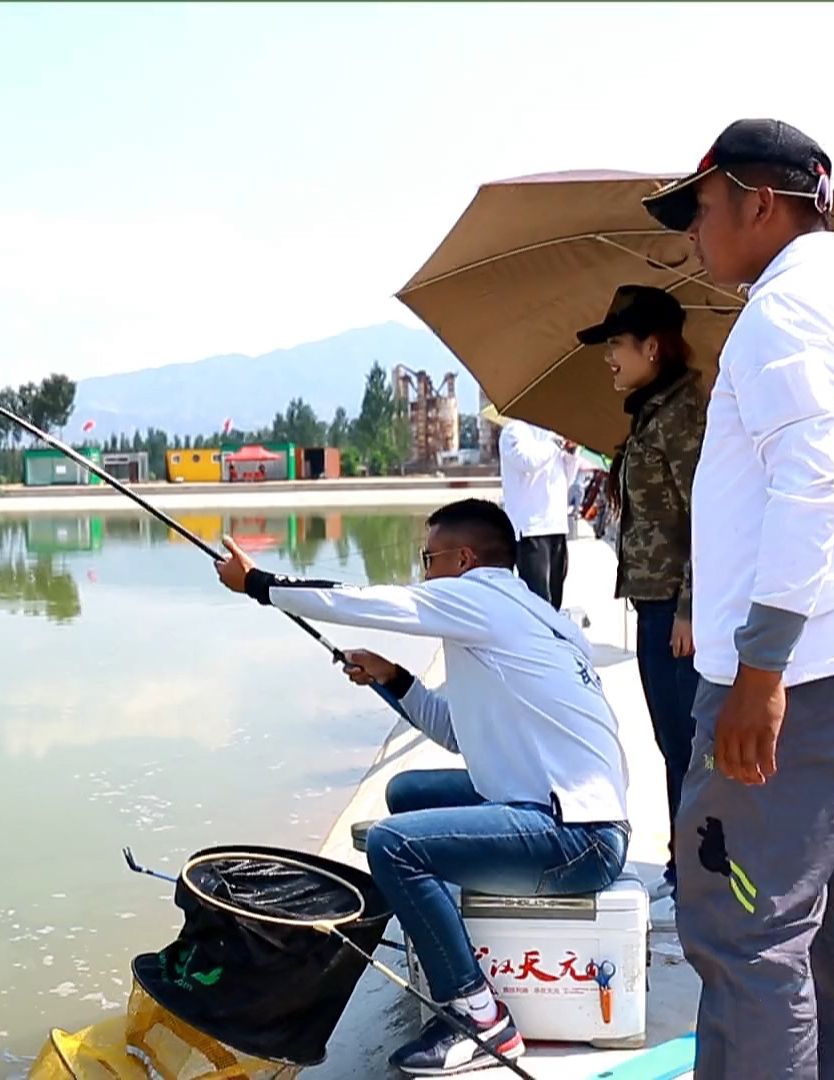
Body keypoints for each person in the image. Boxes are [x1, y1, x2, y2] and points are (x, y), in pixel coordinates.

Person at [642, 118, 834, 1079]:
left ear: (759, 201)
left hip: (795, 671)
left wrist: (760, 671)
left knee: (742, 930)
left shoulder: (785, 313)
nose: (694, 235)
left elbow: (811, 493)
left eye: (702, 210)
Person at [214, 497, 630, 1077]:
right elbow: (459, 734)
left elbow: (364, 601)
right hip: (571, 816)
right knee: (407, 793)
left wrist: (258, 582)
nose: (423, 573)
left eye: (427, 559)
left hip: (575, 836)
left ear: (463, 559)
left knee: (392, 843)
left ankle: (480, 1017)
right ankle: (443, 932)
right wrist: (393, 677)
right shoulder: (526, 613)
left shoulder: (478, 596)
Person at [576, 284, 707, 903]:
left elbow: (711, 516)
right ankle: (685, 868)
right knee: (672, 743)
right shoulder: (656, 410)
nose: (609, 358)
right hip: (655, 601)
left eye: (616, 346)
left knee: (687, 745)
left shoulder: (683, 417)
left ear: (653, 347)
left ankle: (699, 878)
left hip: (678, 611)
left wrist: (690, 608)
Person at [499, 417, 581, 609]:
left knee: (555, 599)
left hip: (556, 526)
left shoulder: (551, 438)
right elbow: (528, 461)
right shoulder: (514, 431)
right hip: (531, 530)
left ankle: (552, 638)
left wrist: (571, 454)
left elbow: (566, 479)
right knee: (538, 600)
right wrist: (556, 443)